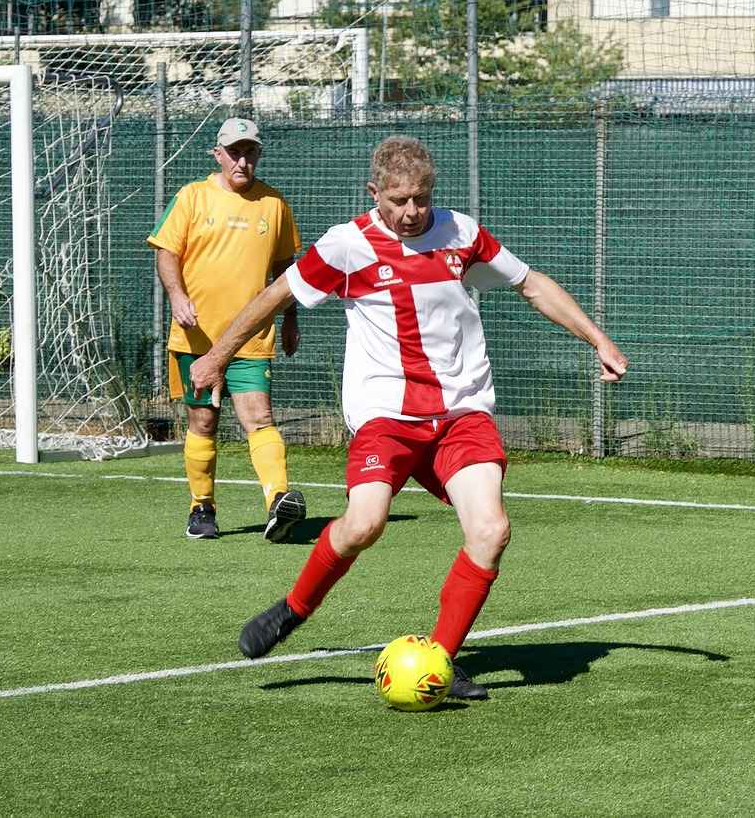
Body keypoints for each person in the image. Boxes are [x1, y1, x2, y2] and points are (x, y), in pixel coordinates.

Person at [190, 135, 628, 700]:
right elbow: (276, 295)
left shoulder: (461, 233)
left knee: (491, 531)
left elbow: (531, 284)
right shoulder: (347, 246)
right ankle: (296, 607)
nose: (412, 211)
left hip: (461, 414)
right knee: (364, 525)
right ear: (375, 194)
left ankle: (441, 659)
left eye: (421, 198)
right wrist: (217, 355)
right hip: (386, 416)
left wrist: (598, 340)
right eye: (398, 200)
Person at [147, 117, 307, 543]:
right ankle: (202, 508)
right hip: (197, 337)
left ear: (258, 155)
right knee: (203, 423)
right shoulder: (192, 197)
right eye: (234, 151)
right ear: (217, 154)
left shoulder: (274, 203)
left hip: (253, 338)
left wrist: (291, 318)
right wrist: (177, 297)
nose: (242, 159)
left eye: (250, 151)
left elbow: (283, 270)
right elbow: (166, 253)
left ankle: (278, 501)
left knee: (260, 417)